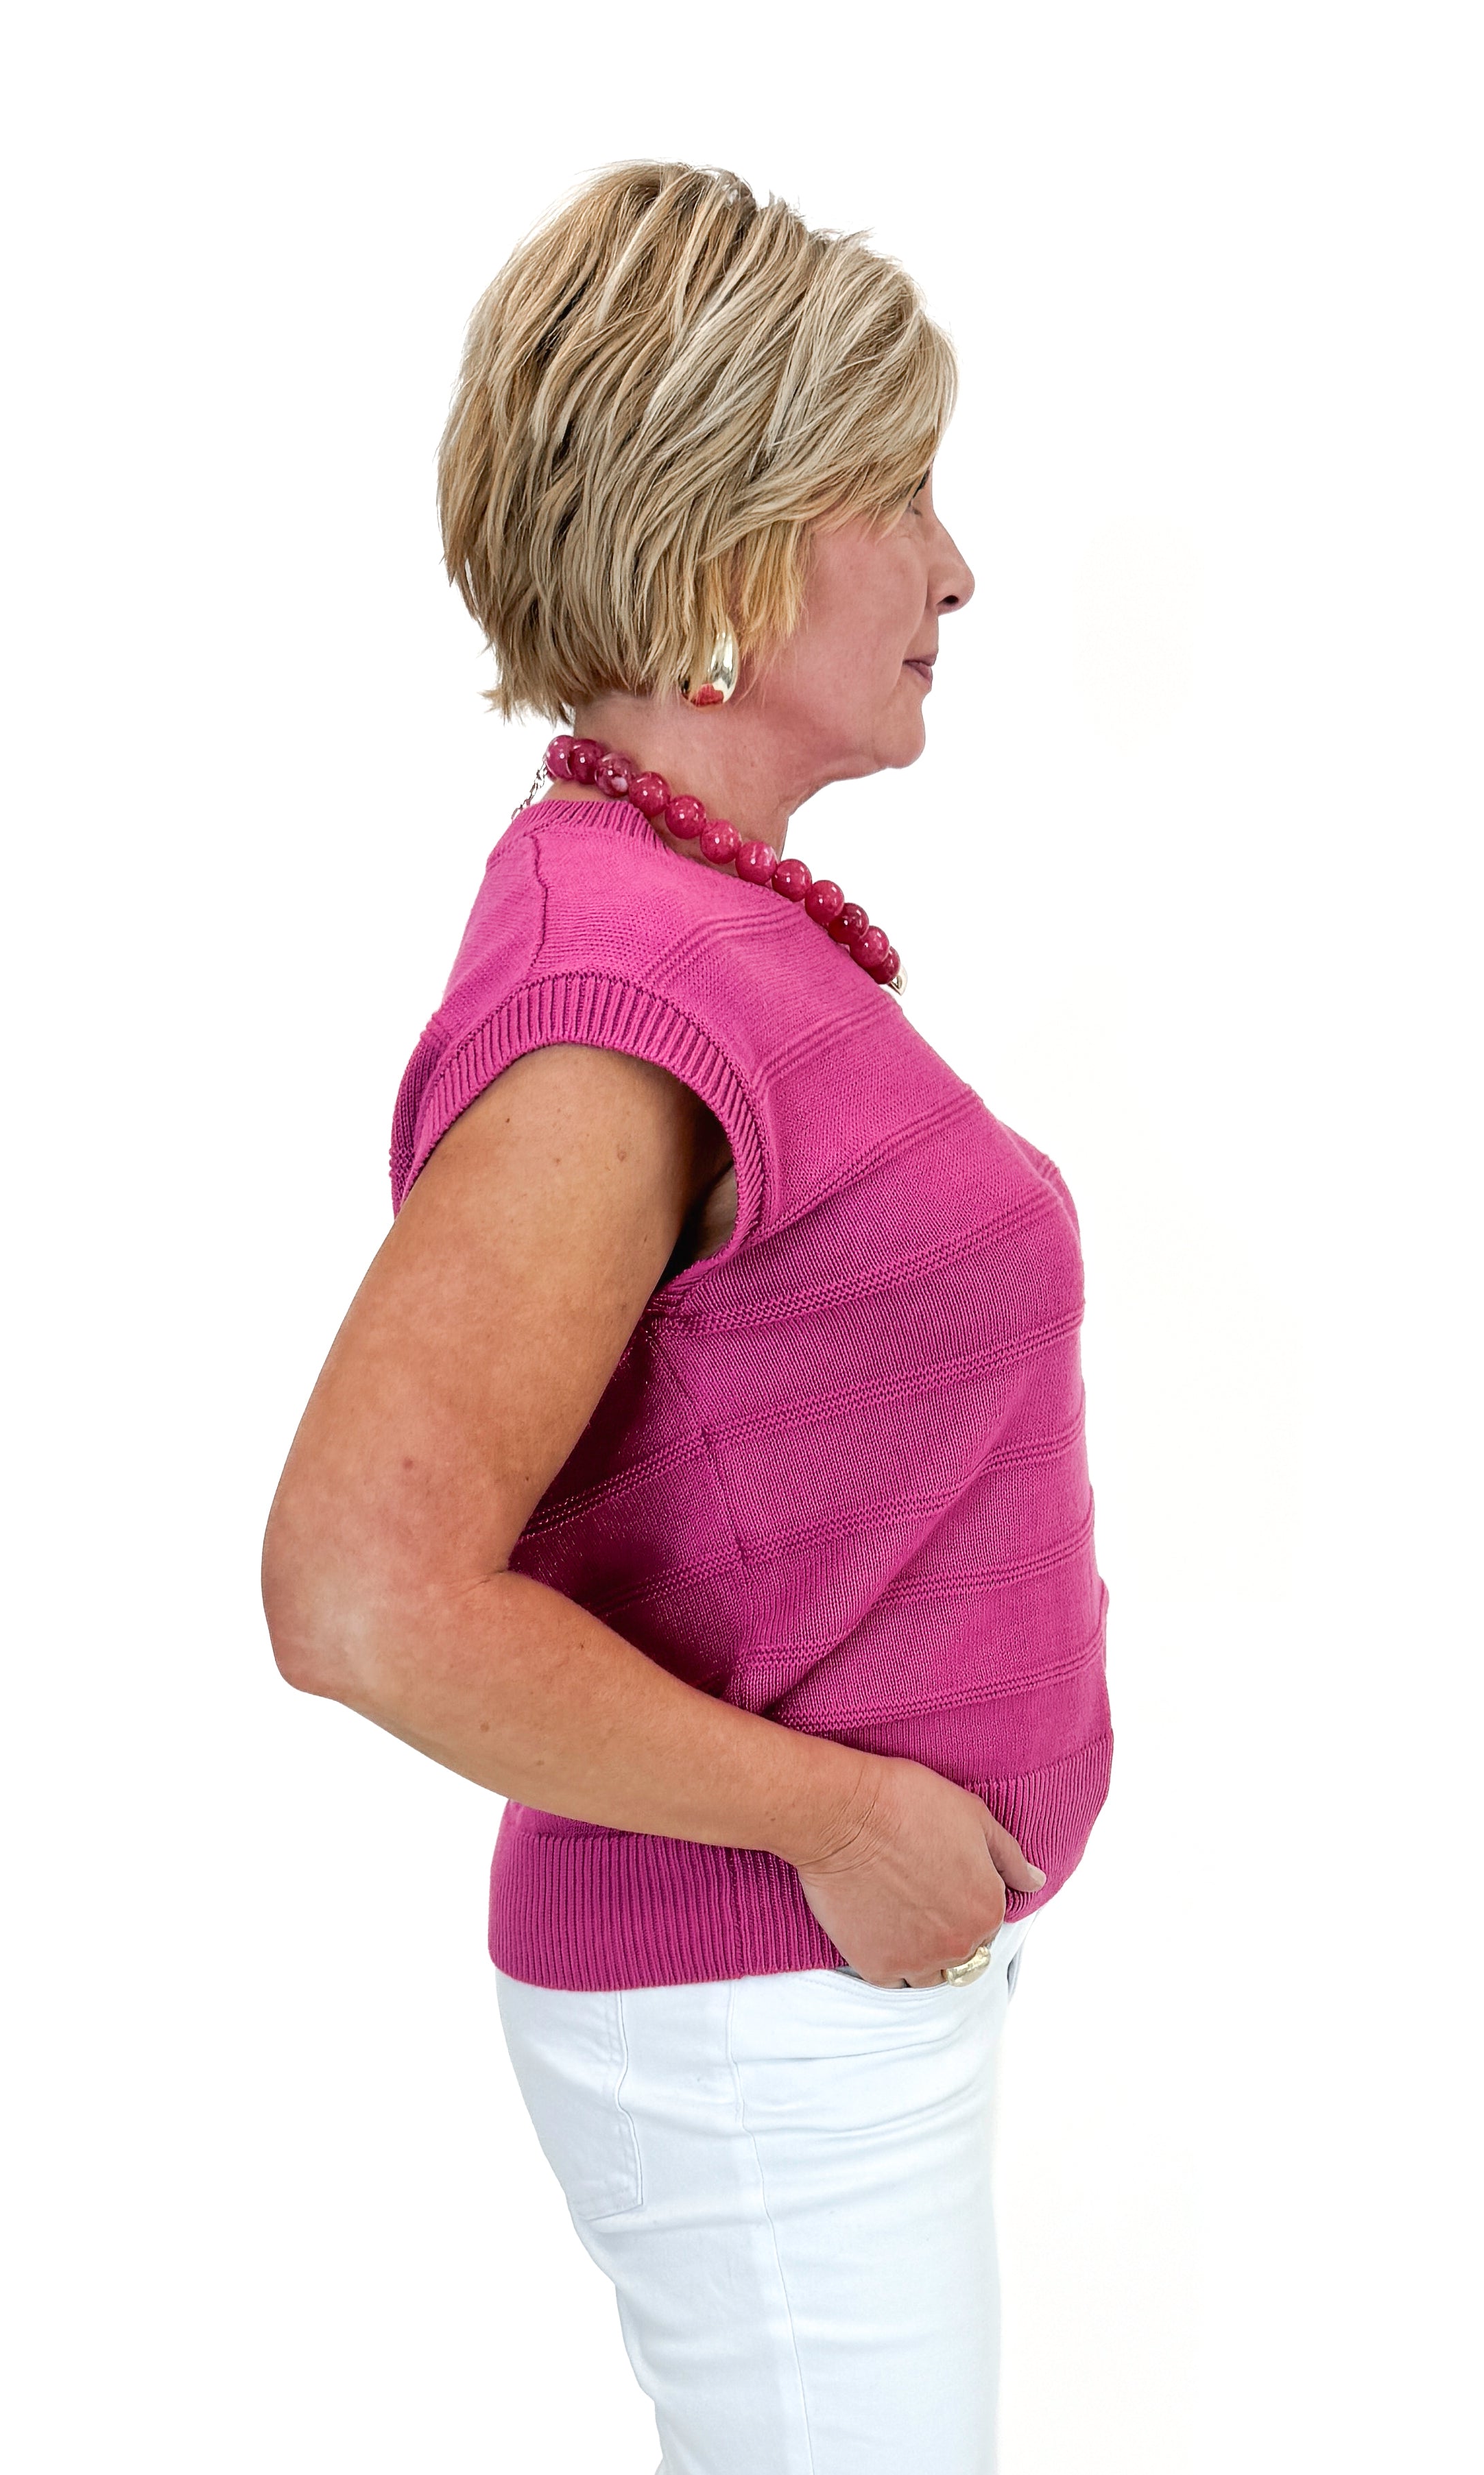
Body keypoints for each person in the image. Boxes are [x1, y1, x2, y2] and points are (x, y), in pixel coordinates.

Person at [262, 160, 1112, 2475]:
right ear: (732, 535)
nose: (956, 566)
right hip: (767, 2018)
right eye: (899, 491)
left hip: (818, 2001)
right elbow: (355, 1587)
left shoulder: (675, 921)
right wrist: (847, 1817)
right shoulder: (615, 995)